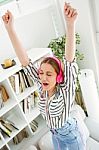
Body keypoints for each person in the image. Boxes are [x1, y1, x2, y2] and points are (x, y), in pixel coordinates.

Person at [2, 2, 86, 150]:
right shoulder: (41, 87)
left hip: (70, 134)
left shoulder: (65, 91)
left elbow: (69, 60)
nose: (43, 78)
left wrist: (70, 25)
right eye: (41, 73)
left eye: (49, 74)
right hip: (55, 133)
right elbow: (25, 61)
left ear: (58, 77)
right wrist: (10, 29)